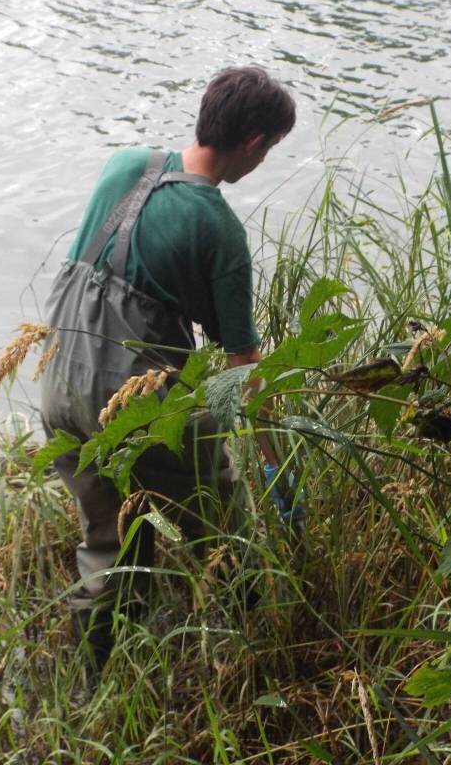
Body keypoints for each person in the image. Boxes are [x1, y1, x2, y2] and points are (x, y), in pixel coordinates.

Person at [40, 67, 297, 669]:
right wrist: (271, 457)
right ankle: (264, 648)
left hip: (59, 386)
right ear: (255, 143)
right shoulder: (220, 229)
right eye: (271, 149)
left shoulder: (124, 165)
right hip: (136, 404)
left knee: (109, 541)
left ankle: (97, 678)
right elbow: (241, 364)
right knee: (221, 518)